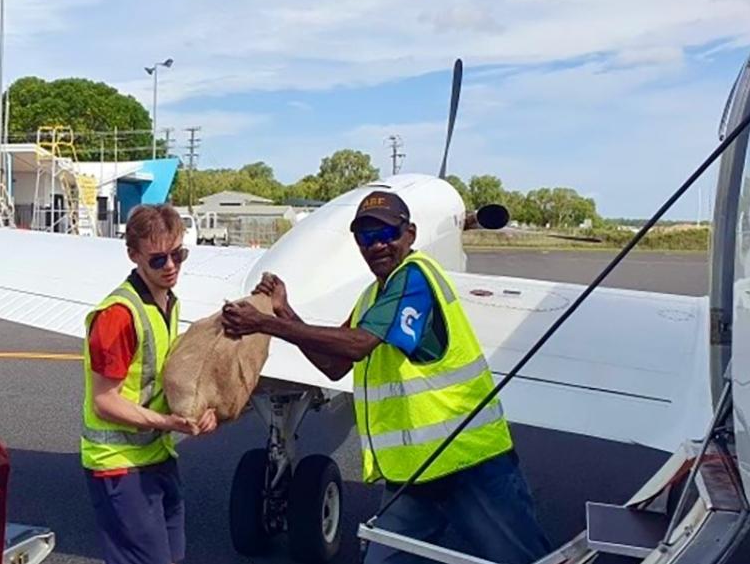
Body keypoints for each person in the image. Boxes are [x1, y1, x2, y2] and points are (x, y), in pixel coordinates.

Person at [221, 191, 550, 564]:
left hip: (468, 464)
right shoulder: (371, 298)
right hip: (414, 474)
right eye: (365, 237)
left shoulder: (416, 278)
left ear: (409, 234)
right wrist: (284, 312)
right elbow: (335, 365)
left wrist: (263, 324)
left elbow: (358, 345)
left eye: (386, 234)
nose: (376, 245)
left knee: (520, 558)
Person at [82, 204, 218, 564]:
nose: (171, 266)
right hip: (119, 464)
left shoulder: (168, 302)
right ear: (133, 255)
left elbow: (164, 380)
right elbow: (104, 401)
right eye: (158, 260)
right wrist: (168, 423)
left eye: (178, 255)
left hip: (157, 456)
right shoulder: (118, 316)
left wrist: (202, 411)